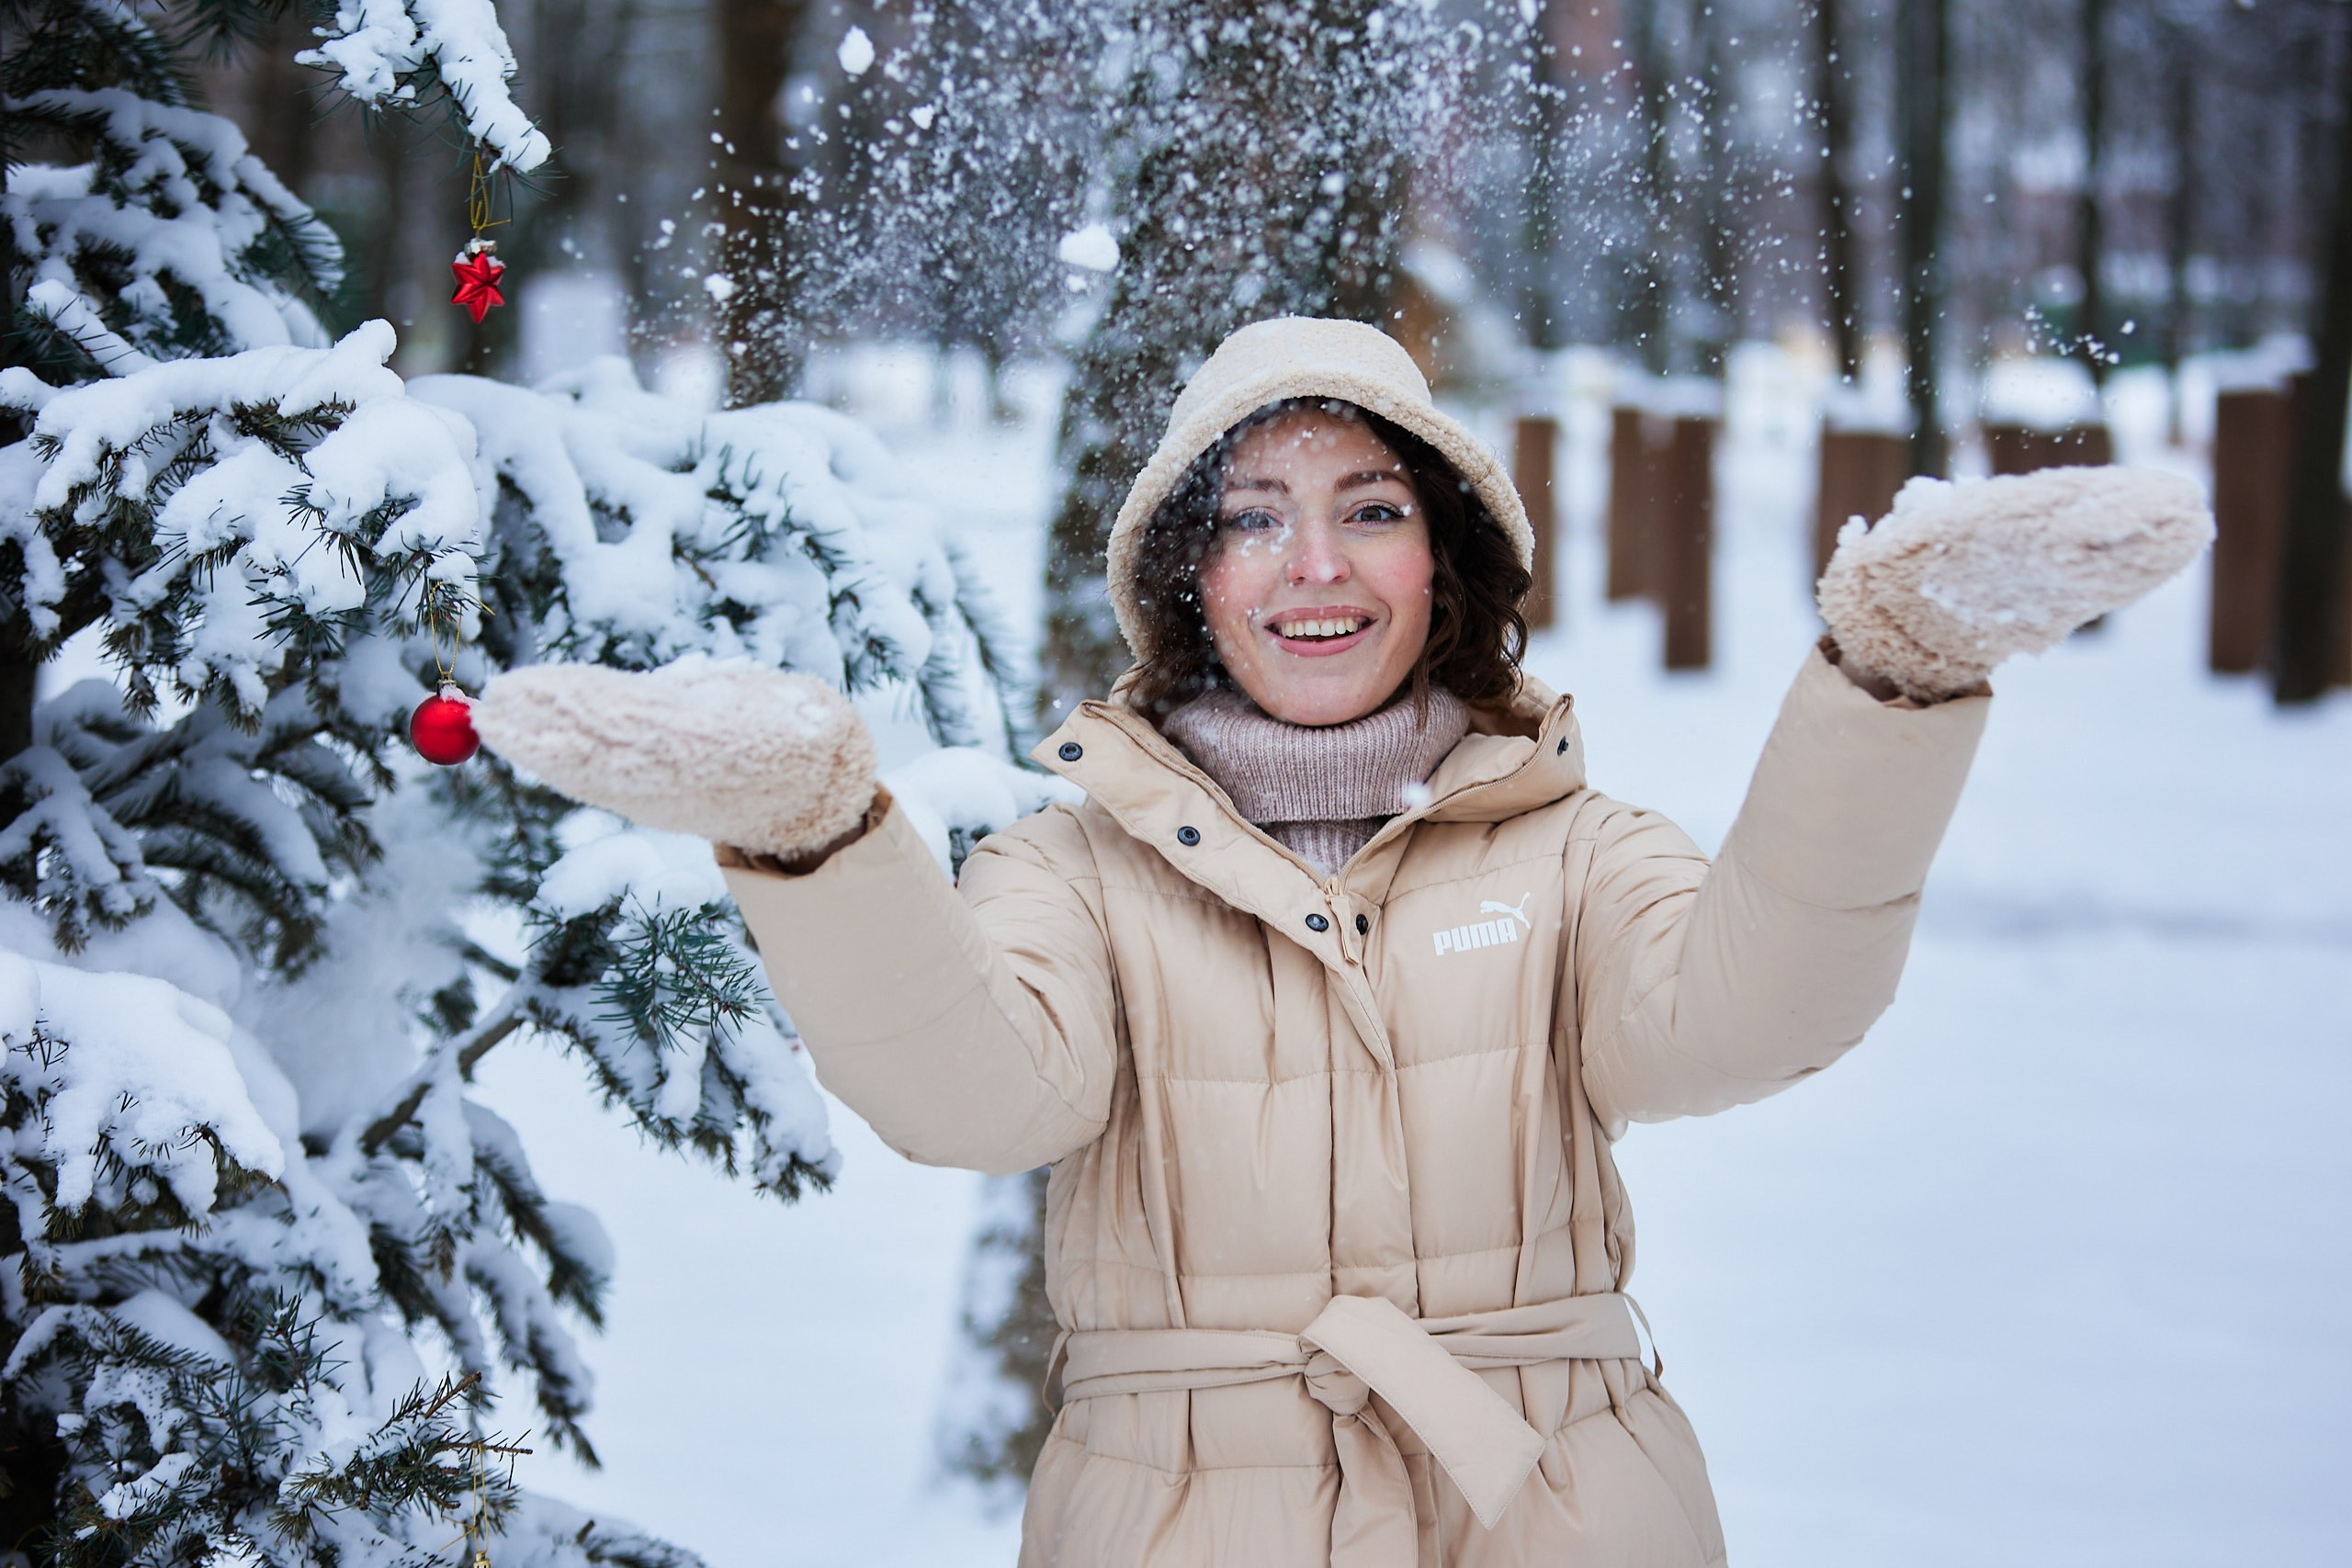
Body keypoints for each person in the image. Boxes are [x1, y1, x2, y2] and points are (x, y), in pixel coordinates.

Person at [475, 318, 2211, 1567]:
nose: (1316, 564)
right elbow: (975, 1098)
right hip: (1172, 1522)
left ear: (1445, 562)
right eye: (1252, 515)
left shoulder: (1577, 851)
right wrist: (816, 837)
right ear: (1190, 582)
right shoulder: (1075, 875)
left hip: (1555, 1510)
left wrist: (1890, 680)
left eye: (1371, 507)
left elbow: (1757, 1012)